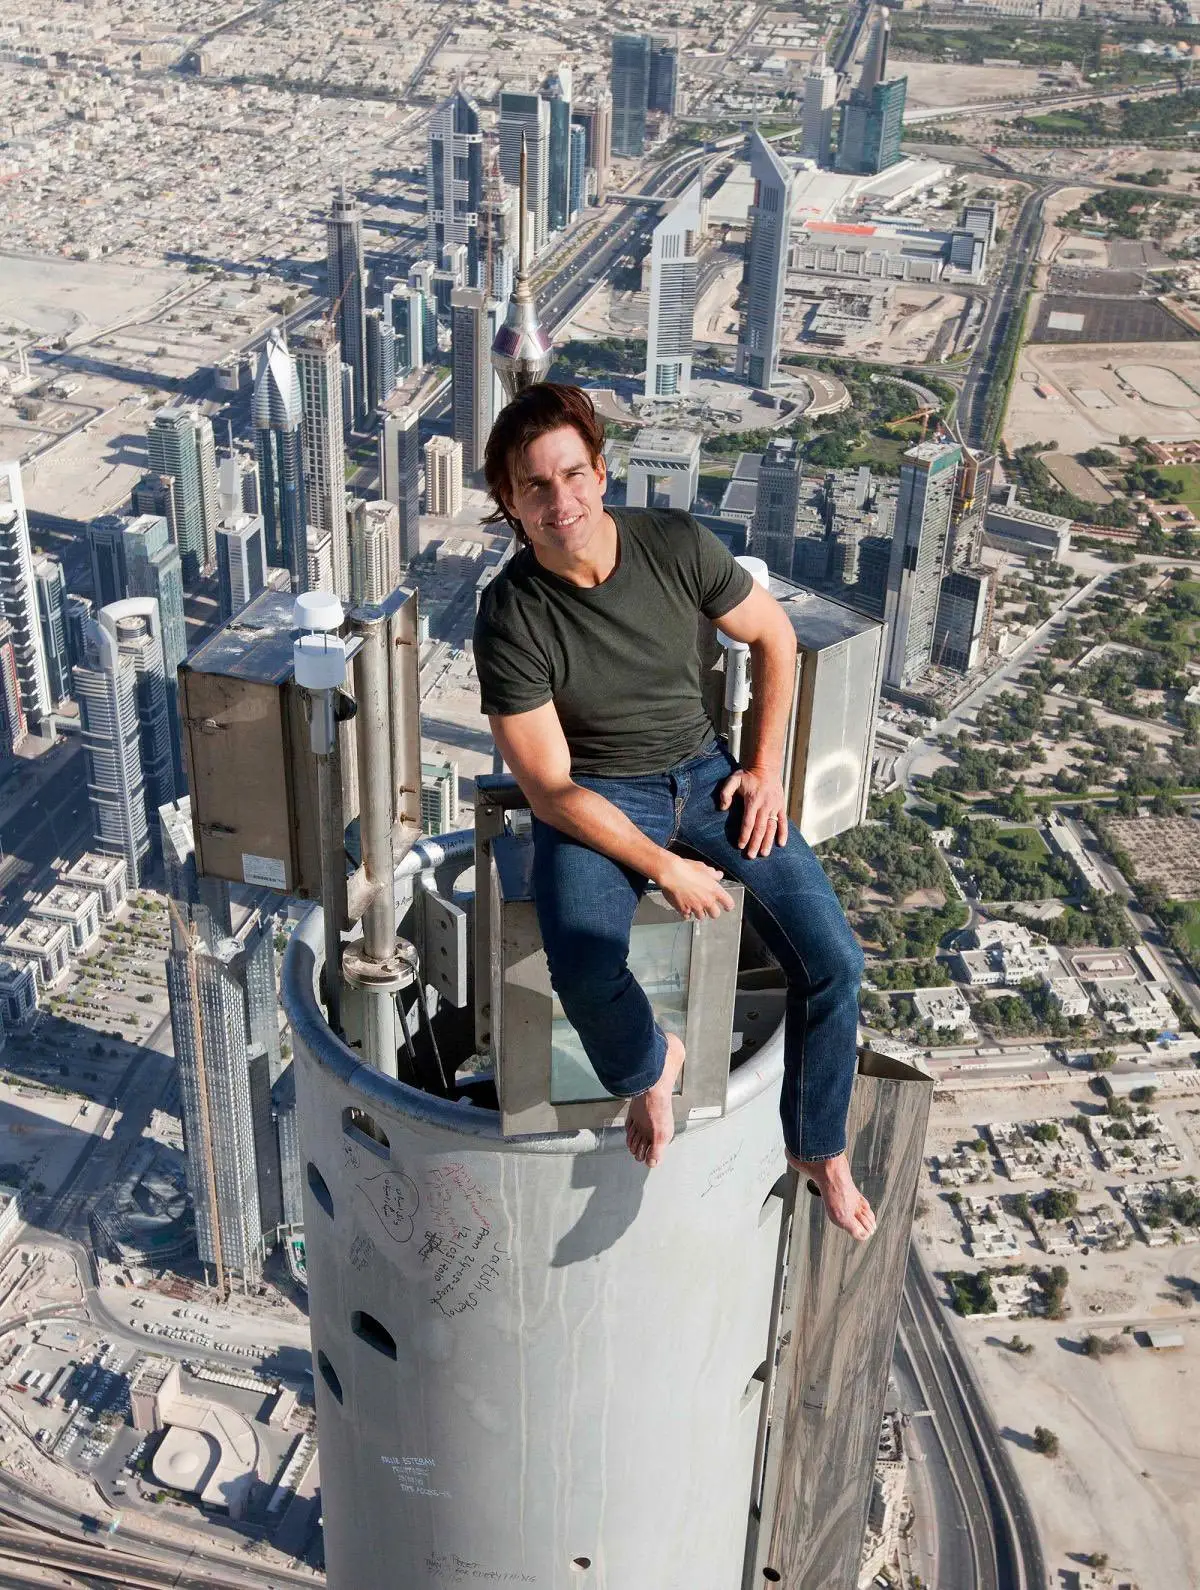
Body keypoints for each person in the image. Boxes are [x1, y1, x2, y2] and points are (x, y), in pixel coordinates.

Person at [472, 384, 875, 1241]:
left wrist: (764, 771)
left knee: (835, 959)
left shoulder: (675, 546)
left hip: (705, 774)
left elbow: (775, 638)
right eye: (534, 487)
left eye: (571, 475)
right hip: (598, 798)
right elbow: (550, 789)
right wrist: (665, 869)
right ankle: (651, 1065)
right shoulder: (512, 616)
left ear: (602, 474)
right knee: (582, 962)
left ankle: (818, 1146)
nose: (559, 501)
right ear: (509, 502)